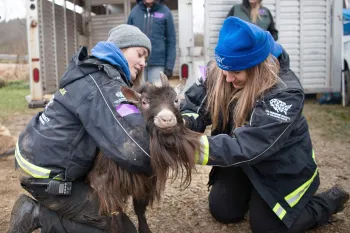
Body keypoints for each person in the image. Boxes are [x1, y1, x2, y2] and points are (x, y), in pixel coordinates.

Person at [182, 17, 349, 233]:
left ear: (258, 68)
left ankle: (328, 202)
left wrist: (186, 146)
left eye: (236, 73)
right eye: (224, 70)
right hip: (241, 161)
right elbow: (195, 105)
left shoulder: (285, 91)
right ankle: (254, 193)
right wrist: (182, 124)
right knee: (223, 212)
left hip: (280, 166)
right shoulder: (223, 68)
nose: (227, 78)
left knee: (267, 228)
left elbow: (251, 146)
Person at [7, 24, 152, 233]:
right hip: (49, 177)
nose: (143, 63)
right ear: (120, 48)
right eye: (140, 54)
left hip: (38, 157)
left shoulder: (92, 72)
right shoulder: (104, 85)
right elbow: (134, 149)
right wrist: (165, 151)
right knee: (118, 228)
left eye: (146, 59)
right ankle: (37, 214)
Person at [127, 0, 176, 83]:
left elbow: (171, 41)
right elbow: (127, 38)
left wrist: (169, 66)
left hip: (157, 64)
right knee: (138, 94)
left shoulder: (165, 12)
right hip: (137, 63)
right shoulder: (134, 12)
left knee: (155, 94)